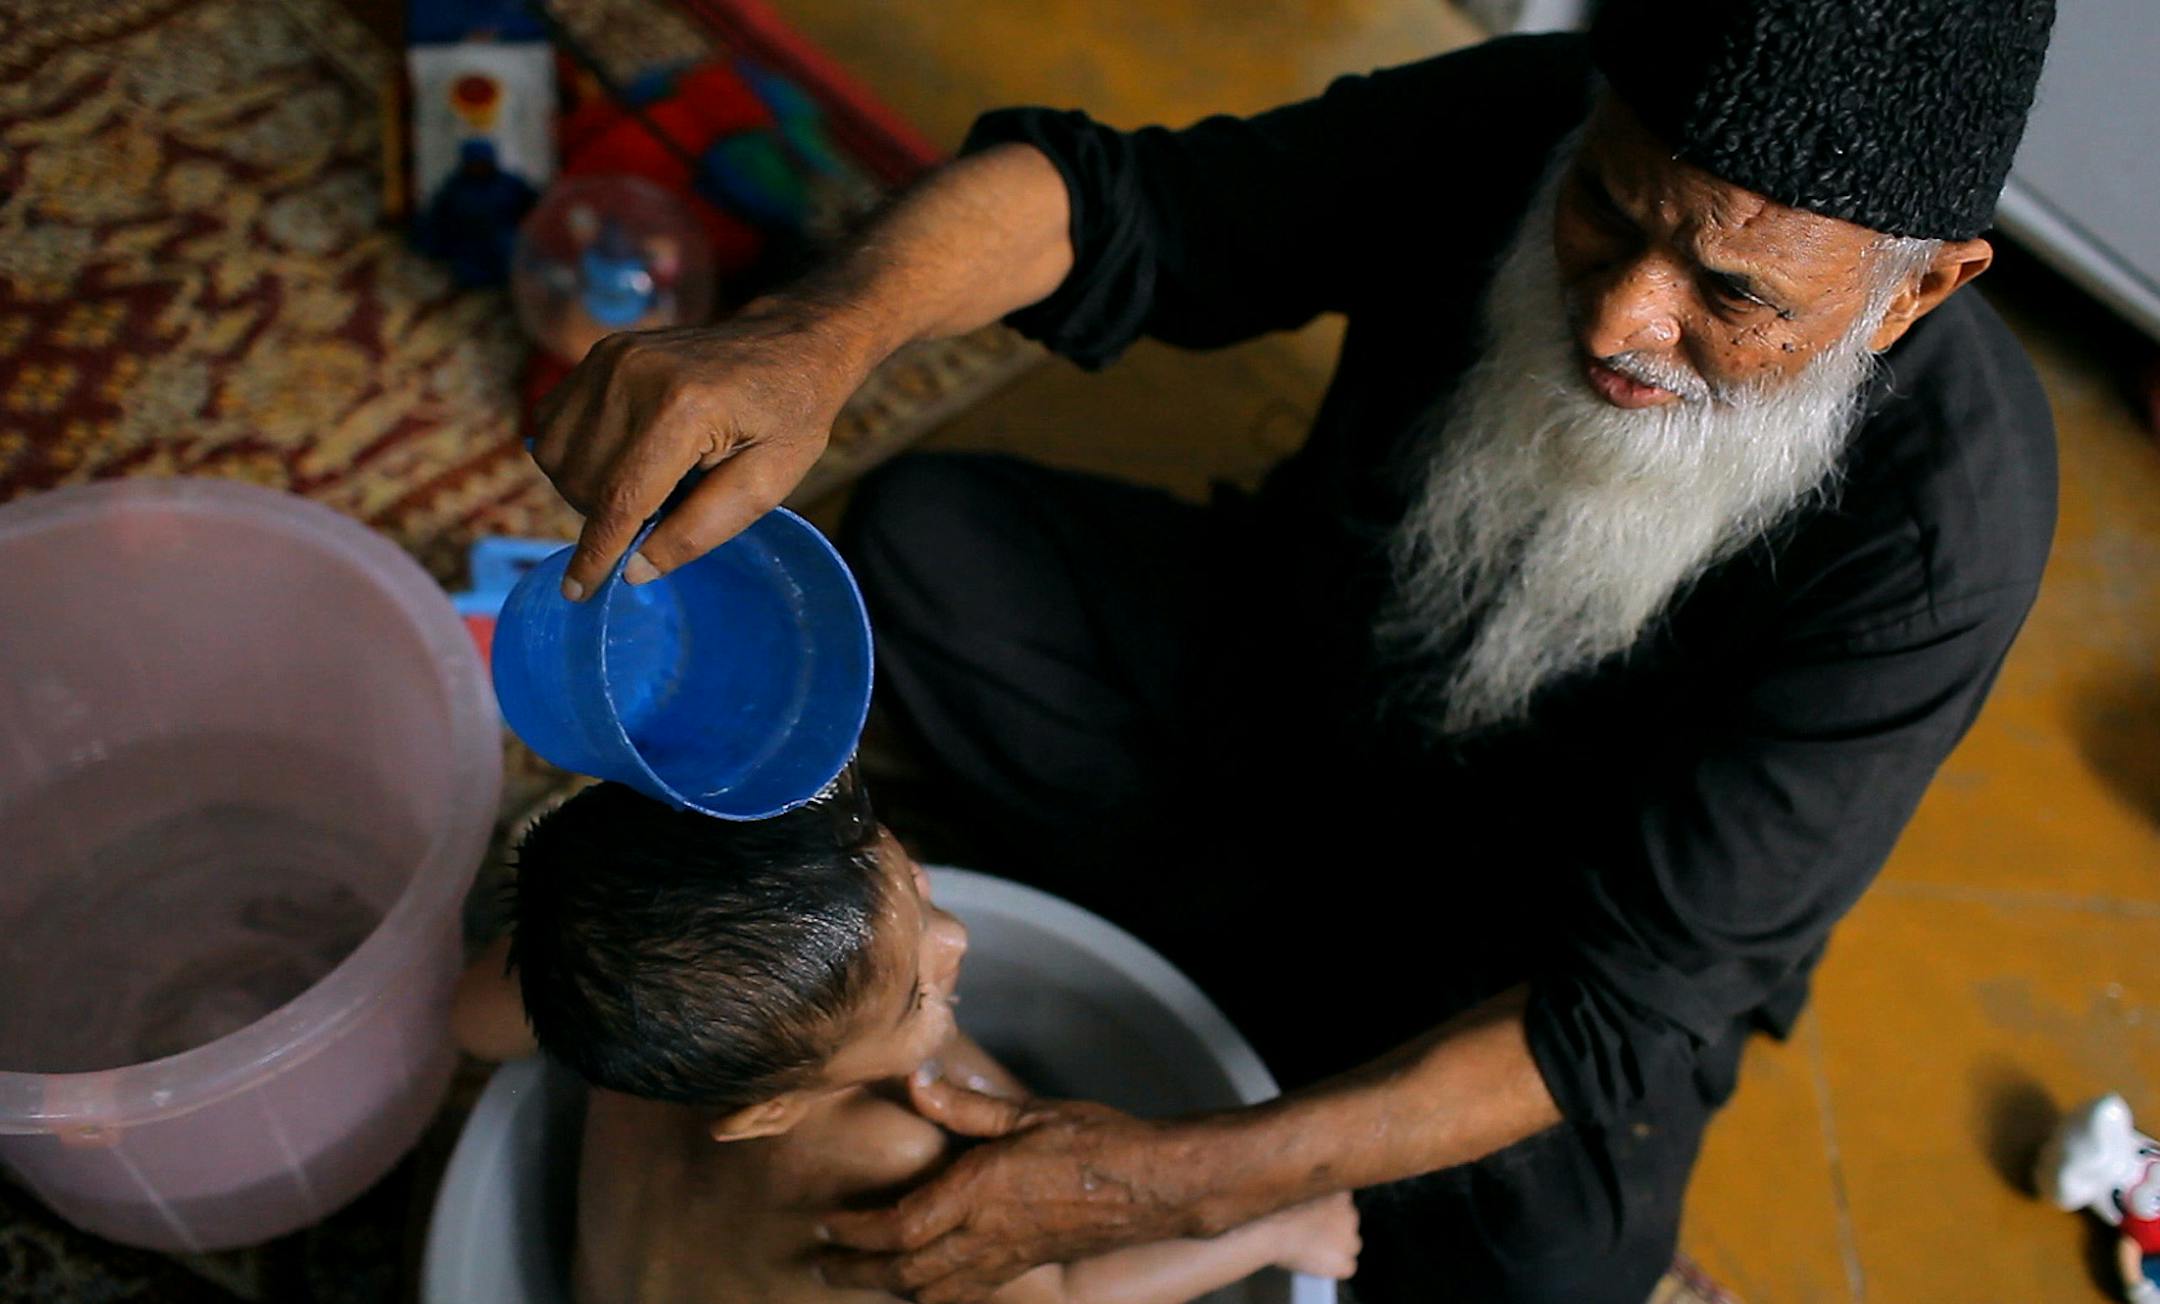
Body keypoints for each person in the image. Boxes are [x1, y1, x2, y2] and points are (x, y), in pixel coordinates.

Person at [521, 1, 2061, 1299]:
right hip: (1283, 682)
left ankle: (1260, 980)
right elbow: (1123, 208)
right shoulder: (1526, 118)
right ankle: (1267, 965)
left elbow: (1623, 1006)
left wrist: (1169, 1189)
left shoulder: (1940, 539)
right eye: (1608, 208)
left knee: (1558, 1260)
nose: (1622, 316)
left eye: (1733, 294)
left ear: (1917, 287)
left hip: (1524, 932)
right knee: (928, 547)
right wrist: (821, 336)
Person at [452, 775, 1360, 1304]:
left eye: (913, 886)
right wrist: (1271, 1227)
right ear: (776, 1108)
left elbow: (473, 1018)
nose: (955, 938)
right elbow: (1067, 1294)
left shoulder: (634, 1042)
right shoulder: (886, 1156)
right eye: (918, 995)